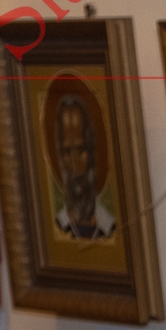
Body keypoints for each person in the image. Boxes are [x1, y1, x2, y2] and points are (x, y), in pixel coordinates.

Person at [52, 94, 115, 240]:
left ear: (92, 152)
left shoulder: (109, 226)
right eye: (67, 152)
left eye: (80, 150)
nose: (74, 164)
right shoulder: (58, 226)